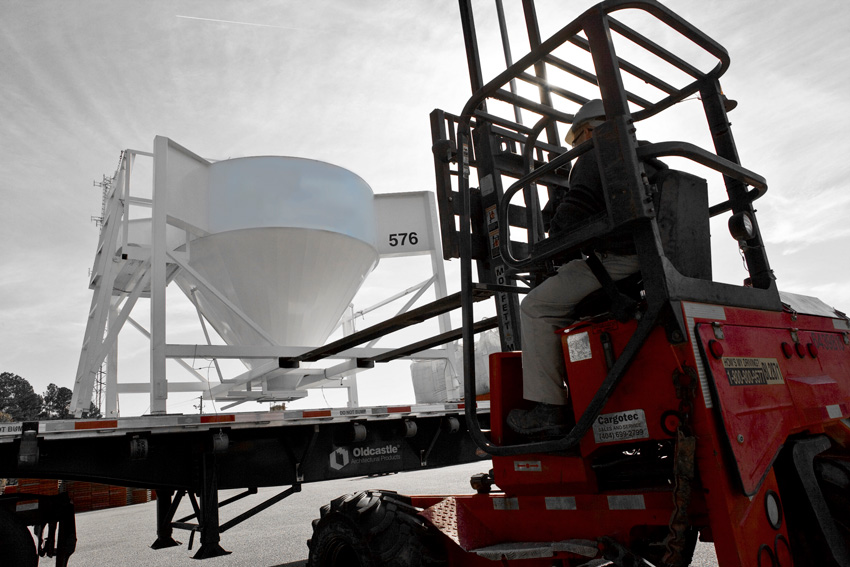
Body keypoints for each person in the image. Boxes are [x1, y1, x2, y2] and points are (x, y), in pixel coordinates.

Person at [507, 99, 642, 436]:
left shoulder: (595, 154)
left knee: (535, 307)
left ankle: (550, 409)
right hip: (649, 257)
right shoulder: (646, 157)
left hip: (619, 260)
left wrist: (551, 243)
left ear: (585, 131)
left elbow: (572, 216)